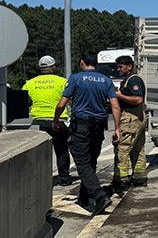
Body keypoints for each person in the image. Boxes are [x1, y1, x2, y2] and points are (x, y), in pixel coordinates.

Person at [53, 53, 121, 216]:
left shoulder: (75, 78)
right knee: (90, 161)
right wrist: (117, 128)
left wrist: (56, 119)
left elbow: (62, 103)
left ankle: (99, 197)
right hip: (99, 125)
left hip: (81, 125)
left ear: (82, 62)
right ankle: (84, 197)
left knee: (82, 162)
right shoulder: (106, 80)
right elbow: (115, 106)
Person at [22, 56, 71, 185]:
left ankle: (41, 179)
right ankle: (65, 179)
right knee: (61, 150)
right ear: (53, 67)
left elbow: (24, 103)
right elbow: (69, 100)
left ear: (40, 68)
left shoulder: (30, 83)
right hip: (58, 121)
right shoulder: (62, 81)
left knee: (41, 153)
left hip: (38, 122)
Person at [111, 55, 147, 194]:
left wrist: (119, 96)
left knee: (122, 149)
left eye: (121, 66)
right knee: (138, 149)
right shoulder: (127, 80)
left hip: (131, 118)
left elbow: (138, 99)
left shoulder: (134, 80)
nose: (118, 69)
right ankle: (139, 177)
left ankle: (121, 181)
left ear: (129, 66)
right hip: (135, 118)